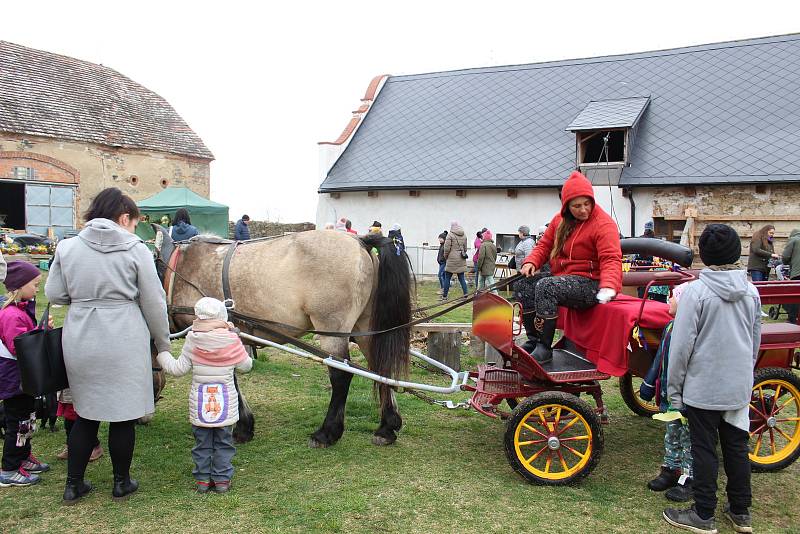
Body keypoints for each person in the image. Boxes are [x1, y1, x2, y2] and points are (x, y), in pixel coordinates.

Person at [45, 187, 171, 505]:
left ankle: (74, 485)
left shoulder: (68, 247)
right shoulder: (137, 250)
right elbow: (154, 302)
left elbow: (56, 293)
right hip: (124, 336)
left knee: (85, 414)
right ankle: (121, 482)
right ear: (124, 217)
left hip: (81, 336)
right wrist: (163, 343)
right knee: (122, 415)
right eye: (133, 222)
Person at [663, 224, 760, 534]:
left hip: (702, 386)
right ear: (736, 252)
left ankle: (703, 513)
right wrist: (745, 375)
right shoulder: (752, 291)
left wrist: (674, 391)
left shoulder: (696, 293)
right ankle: (740, 511)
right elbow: (754, 341)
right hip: (737, 385)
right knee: (736, 446)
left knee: (704, 449)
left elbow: (680, 348)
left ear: (704, 255)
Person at [516, 171, 622, 363]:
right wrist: (531, 261)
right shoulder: (559, 220)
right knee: (524, 285)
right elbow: (544, 245)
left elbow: (611, 259)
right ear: (567, 206)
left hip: (591, 284)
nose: (583, 210)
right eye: (577, 206)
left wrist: (609, 286)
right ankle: (533, 340)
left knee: (546, 286)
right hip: (565, 278)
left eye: (587, 204)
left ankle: (544, 348)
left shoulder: (603, 224)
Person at [157, 297, 252, 494]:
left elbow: (178, 369)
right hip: (225, 405)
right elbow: (246, 366)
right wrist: (239, 342)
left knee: (202, 444)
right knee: (224, 443)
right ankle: (222, 480)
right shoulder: (231, 340)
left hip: (200, 405)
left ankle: (202, 480)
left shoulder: (193, 339)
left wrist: (163, 354)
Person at [0, 261, 51, 488]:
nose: (37, 289)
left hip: (23, 380)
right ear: (20, 286)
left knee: (27, 421)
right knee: (17, 424)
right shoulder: (11, 315)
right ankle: (9, 468)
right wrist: (40, 332)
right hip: (14, 381)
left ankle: (24, 456)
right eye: (35, 284)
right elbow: (18, 346)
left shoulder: (21, 310)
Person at [642, 283, 693, 503]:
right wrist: (648, 383)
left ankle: (689, 476)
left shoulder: (691, 330)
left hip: (687, 395)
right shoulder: (670, 328)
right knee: (671, 432)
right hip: (668, 392)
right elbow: (659, 359)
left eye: (673, 296)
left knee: (688, 436)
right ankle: (670, 468)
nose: (669, 300)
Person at [54, 388, 104, 462]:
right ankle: (71, 447)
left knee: (84, 422)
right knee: (69, 422)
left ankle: (96, 447)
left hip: (81, 390)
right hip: (67, 391)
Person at [442, 221, 469, 300]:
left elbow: (446, 249)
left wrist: (446, 256)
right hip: (461, 259)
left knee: (447, 278)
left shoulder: (450, 235)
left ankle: (445, 296)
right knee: (462, 278)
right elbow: (465, 249)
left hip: (451, 259)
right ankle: (466, 295)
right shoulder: (464, 235)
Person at [781, 228, 800, 324]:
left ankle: (793, 319)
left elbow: (785, 256)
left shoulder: (793, 240)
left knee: (795, 296)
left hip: (797, 273)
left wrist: (786, 263)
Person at [436, 231, 448, 295]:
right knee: (443, 276)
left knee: (440, 275)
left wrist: (443, 260)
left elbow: (446, 255)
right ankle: (444, 289)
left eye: (440, 238)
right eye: (439, 238)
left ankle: (443, 289)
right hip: (440, 263)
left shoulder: (445, 246)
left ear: (444, 238)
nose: (439, 239)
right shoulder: (441, 245)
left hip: (444, 263)